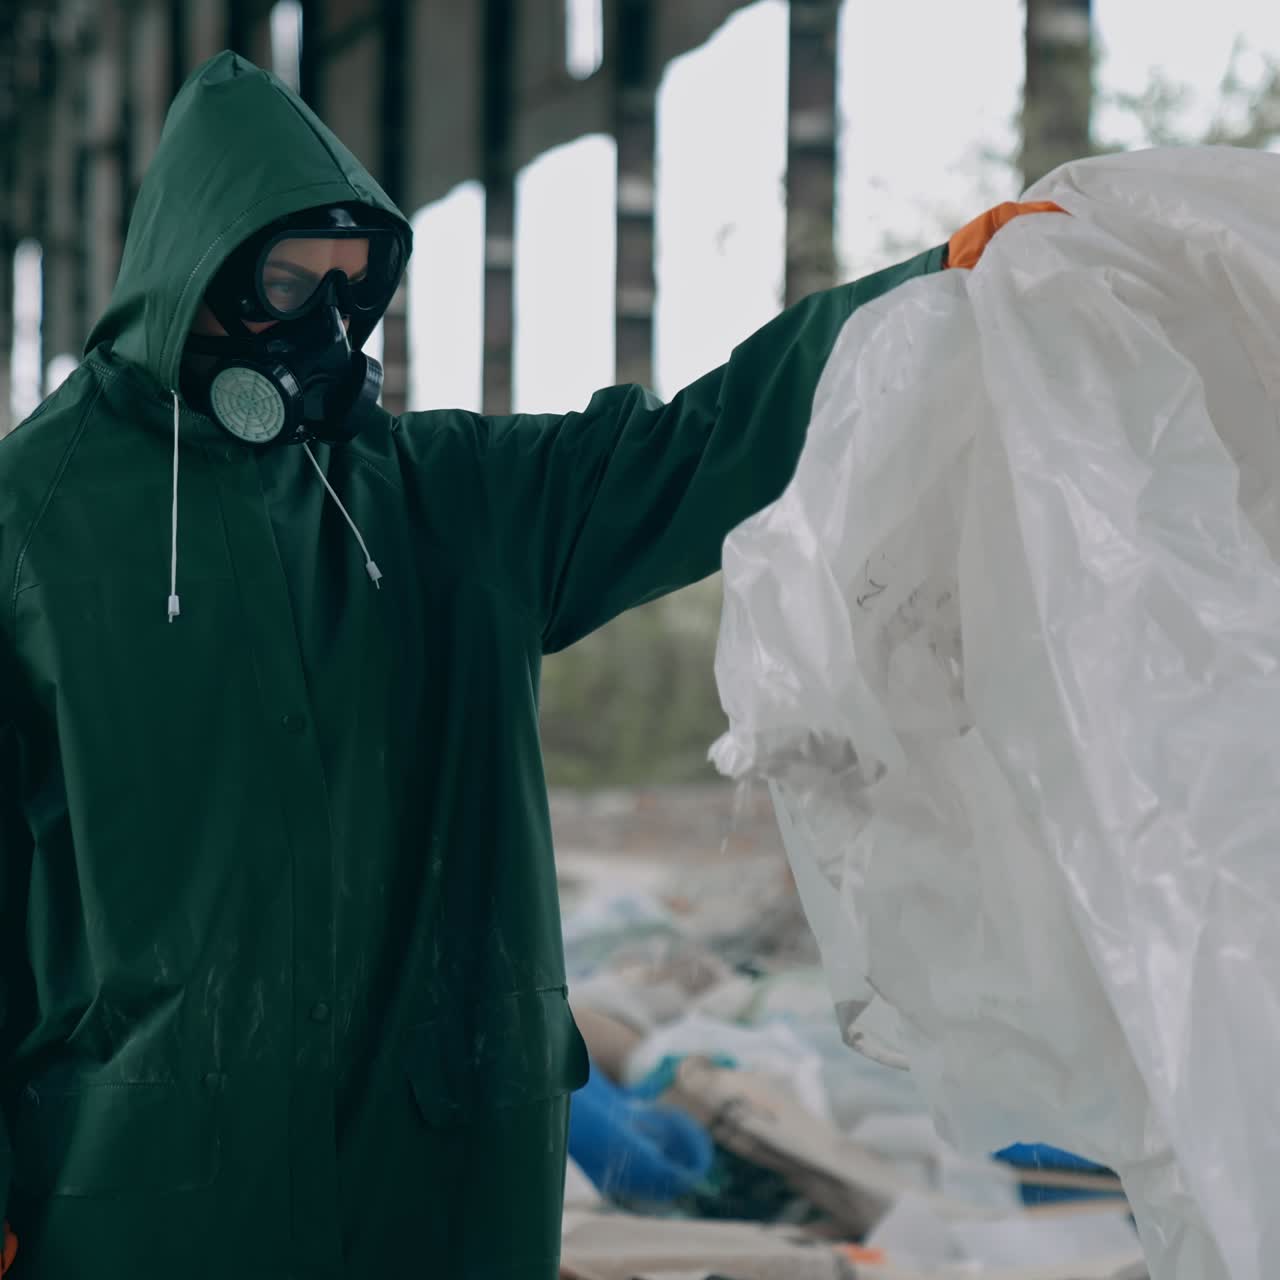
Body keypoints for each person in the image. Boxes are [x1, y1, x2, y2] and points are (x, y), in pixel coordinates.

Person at [0, 49, 1059, 1279]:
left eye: (352, 294)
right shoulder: (36, 524)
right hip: (155, 1194)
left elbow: (698, 444)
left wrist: (928, 299)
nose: (323, 332)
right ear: (193, 273)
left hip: (437, 1173)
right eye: (290, 283)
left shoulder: (448, 501)